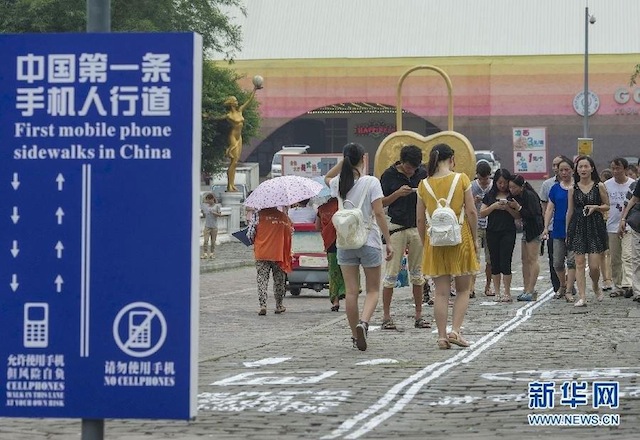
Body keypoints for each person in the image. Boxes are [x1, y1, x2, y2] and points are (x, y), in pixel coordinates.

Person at [325, 142, 394, 351]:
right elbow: (379, 213)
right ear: (363, 159)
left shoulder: (337, 183)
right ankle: (364, 322)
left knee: (351, 292)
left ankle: (355, 336)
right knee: (373, 290)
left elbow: (327, 176)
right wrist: (388, 241)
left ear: (344, 159)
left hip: (345, 242)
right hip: (369, 240)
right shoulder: (371, 182)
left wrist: (343, 162)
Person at [416, 143, 479, 349]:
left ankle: (442, 336)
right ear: (451, 159)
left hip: (435, 240)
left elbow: (419, 220)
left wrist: (426, 243)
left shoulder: (423, 185)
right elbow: (471, 212)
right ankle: (456, 330)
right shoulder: (461, 179)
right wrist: (475, 238)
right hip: (461, 237)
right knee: (462, 289)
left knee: (440, 293)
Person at [380, 145, 430, 330]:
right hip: (396, 228)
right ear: (402, 162)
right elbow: (380, 202)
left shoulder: (422, 174)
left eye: (414, 168)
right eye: (409, 167)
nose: (412, 171)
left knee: (418, 274)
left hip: (417, 227)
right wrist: (397, 194)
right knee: (391, 273)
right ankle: (386, 317)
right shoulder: (388, 175)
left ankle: (419, 315)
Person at [566, 156, 610, 307]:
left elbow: (607, 205)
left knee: (594, 266)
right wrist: (567, 232)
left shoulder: (599, 186)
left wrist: (596, 207)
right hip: (578, 226)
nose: (583, 169)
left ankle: (596, 285)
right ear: (576, 170)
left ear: (592, 168)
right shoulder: (573, 188)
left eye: (586, 166)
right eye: (580, 167)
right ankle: (582, 296)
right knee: (579, 263)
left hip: (595, 226)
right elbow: (570, 211)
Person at [479, 168, 518, 302]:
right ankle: (496, 291)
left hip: (508, 231)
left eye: (504, 182)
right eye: (499, 182)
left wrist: (508, 207)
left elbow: (518, 215)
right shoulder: (490, 195)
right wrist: (494, 206)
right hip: (492, 231)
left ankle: (507, 291)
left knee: (506, 261)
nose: (502, 185)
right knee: (494, 262)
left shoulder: (512, 196)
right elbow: (482, 212)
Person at [246, 206, 293, 315]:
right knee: (279, 280)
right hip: (278, 252)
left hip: (262, 252)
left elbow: (250, 235)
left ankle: (263, 305)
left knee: (262, 279)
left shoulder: (257, 216)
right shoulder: (283, 217)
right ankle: (279, 305)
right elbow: (290, 232)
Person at [213, 85, 261, 192]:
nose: (237, 102)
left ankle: (232, 185)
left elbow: (249, 101)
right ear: (231, 103)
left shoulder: (240, 111)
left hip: (239, 137)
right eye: (235, 101)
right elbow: (216, 118)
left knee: (235, 162)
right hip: (233, 136)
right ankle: (229, 185)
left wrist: (254, 89)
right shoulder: (229, 115)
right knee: (233, 162)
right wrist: (206, 116)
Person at [542, 156, 577, 302]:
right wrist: (545, 227)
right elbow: (550, 208)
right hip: (558, 228)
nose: (564, 173)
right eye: (561, 170)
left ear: (572, 171)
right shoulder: (555, 188)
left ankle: (569, 289)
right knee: (557, 261)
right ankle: (562, 285)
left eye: (567, 170)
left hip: (575, 229)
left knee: (572, 261)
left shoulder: (577, 187)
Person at [508, 175, 544, 301]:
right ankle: (526, 288)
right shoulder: (516, 196)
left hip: (534, 229)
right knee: (525, 260)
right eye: (510, 187)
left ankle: (531, 289)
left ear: (521, 186)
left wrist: (518, 208)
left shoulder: (529, 195)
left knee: (533, 259)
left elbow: (533, 214)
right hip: (526, 230)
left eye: (514, 187)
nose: (511, 189)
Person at [604, 158, 634, 298]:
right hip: (612, 225)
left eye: (618, 168)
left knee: (628, 256)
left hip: (629, 225)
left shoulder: (633, 185)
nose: (615, 172)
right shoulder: (606, 185)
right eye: (613, 168)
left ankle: (628, 284)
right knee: (615, 259)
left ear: (625, 169)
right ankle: (618, 285)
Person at [315, 197, 346, 311]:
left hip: (329, 243)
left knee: (333, 271)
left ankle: (335, 301)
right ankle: (346, 291)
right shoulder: (342, 205)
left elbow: (317, 227)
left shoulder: (321, 209)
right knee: (347, 269)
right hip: (344, 241)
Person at [539, 156, 563, 294]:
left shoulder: (574, 183)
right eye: (553, 165)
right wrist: (545, 226)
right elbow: (544, 206)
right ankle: (558, 286)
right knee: (555, 259)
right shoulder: (548, 184)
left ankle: (570, 284)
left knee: (573, 260)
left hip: (570, 226)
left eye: (558, 165)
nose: (555, 168)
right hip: (553, 226)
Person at [471, 161, 493, 296]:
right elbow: (465, 206)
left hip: (490, 225)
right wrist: (474, 201)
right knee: (475, 257)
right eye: (481, 179)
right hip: (476, 225)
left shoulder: (494, 186)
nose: (484, 182)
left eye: (486, 179)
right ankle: (471, 287)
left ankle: (488, 286)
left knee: (490, 259)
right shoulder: (471, 186)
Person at [618, 179, 640, 301]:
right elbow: (633, 199)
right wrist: (623, 219)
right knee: (637, 258)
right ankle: (638, 291)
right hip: (638, 226)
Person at [599, 168, 614, 291]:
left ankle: (607, 278)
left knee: (606, 253)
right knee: (605, 252)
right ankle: (607, 278)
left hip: (611, 223)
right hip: (604, 223)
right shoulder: (600, 190)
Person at [201, 193, 222, 259]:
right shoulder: (206, 206)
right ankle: (205, 253)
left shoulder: (217, 206)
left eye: (209, 200)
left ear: (212, 199)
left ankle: (212, 253)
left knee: (213, 241)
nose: (208, 201)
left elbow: (219, 214)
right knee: (206, 240)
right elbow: (204, 216)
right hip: (207, 226)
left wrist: (213, 212)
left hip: (214, 226)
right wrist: (203, 212)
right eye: (207, 200)